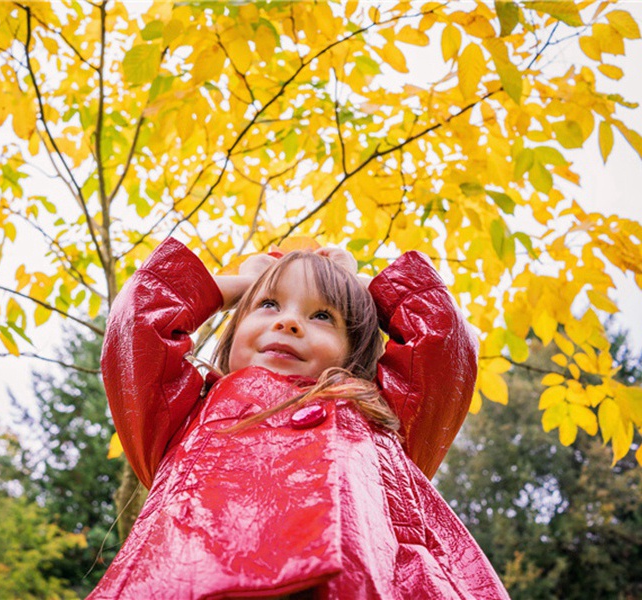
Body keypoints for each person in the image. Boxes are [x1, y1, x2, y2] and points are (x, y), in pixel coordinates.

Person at [88, 237, 509, 599]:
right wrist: (242, 285)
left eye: (323, 315)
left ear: (354, 350)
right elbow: (139, 321)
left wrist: (356, 287)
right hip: (193, 577)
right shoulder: (184, 412)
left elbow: (443, 336)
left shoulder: (381, 413)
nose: (288, 321)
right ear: (233, 334)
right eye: (269, 305)